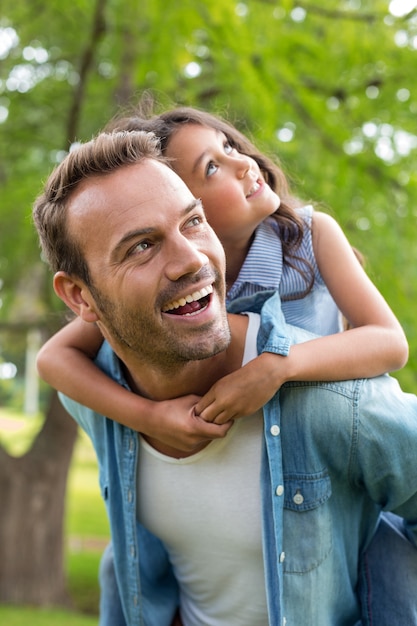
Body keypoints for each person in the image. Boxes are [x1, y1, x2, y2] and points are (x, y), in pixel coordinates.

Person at [35, 106, 412, 625]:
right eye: (142, 246)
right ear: (82, 297)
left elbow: (390, 343)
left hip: (330, 436)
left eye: (191, 222)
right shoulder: (126, 346)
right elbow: (55, 361)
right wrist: (146, 417)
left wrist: (277, 367)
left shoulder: (307, 241)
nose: (189, 259)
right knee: (119, 566)